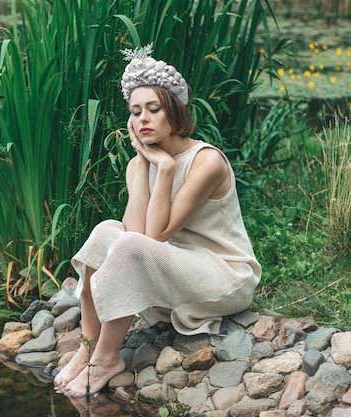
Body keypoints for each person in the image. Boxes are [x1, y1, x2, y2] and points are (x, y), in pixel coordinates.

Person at [53, 44, 261, 398]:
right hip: (173, 267)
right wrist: (145, 165)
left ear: (174, 113)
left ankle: (106, 358)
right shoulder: (139, 164)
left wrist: (163, 168)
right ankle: (88, 347)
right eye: (135, 112)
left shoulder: (206, 161)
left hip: (223, 273)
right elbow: (134, 235)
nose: (142, 120)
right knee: (107, 230)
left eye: (154, 109)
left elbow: (155, 235)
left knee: (130, 242)